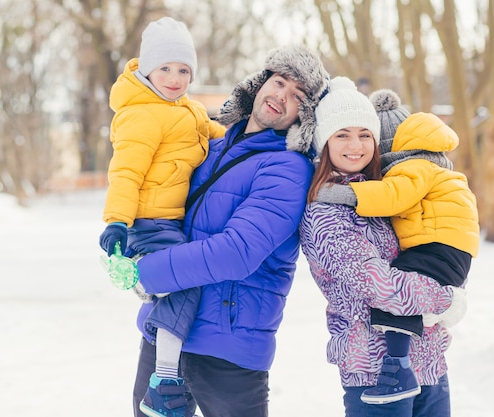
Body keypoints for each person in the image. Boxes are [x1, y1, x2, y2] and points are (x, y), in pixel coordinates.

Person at [129, 45, 327, 417]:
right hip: (165, 331)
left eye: (297, 96)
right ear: (260, 83)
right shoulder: (209, 147)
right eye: (279, 82)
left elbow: (236, 252)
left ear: (306, 114)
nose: (281, 96)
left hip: (228, 349)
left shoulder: (288, 169)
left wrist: (147, 272)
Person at [299, 76, 467, 417]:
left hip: (430, 364)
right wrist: (447, 298)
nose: (355, 145)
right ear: (324, 142)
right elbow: (378, 285)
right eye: (342, 134)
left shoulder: (388, 195)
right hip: (374, 374)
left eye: (364, 134)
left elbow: (433, 246)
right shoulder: (325, 211)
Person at [97, 16, 226, 417]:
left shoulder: (188, 109)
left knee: (178, 289)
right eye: (166, 69)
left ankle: (151, 293)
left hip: (173, 222)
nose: (175, 78)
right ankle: (164, 378)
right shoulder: (141, 113)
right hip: (150, 222)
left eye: (183, 70)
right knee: (186, 284)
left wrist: (253, 139)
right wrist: (116, 221)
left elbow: (217, 134)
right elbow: (125, 173)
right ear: (148, 69)